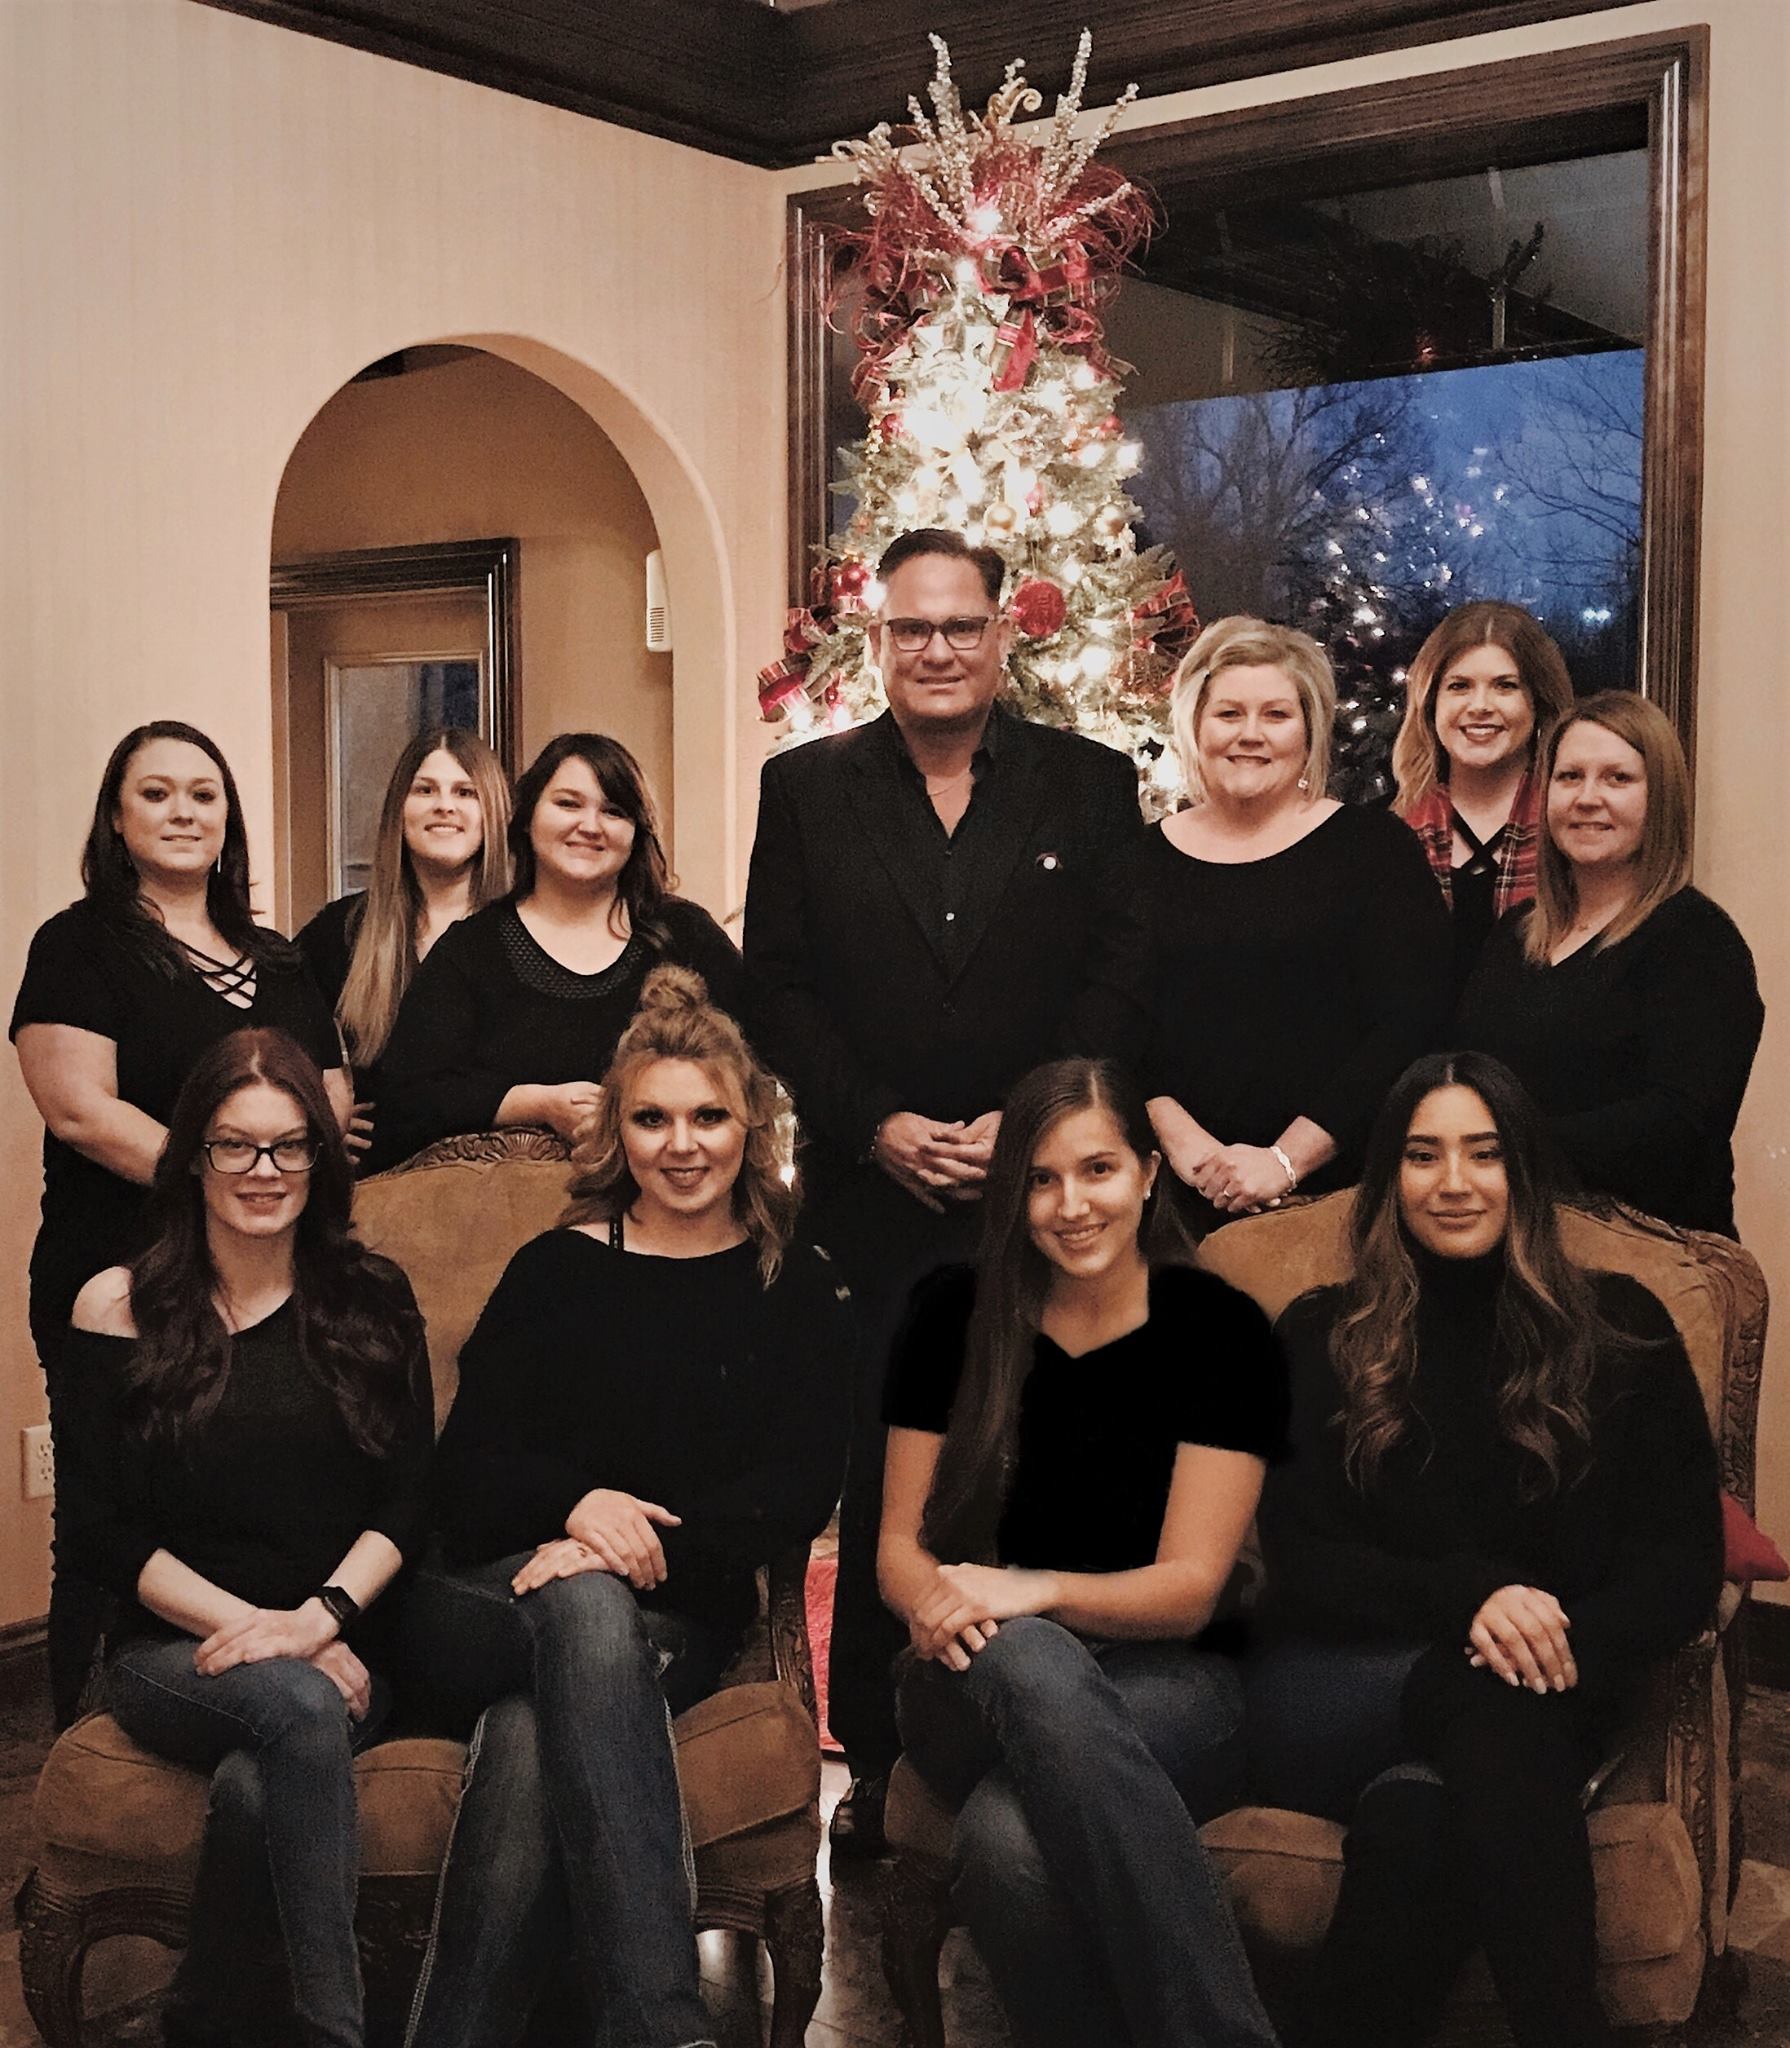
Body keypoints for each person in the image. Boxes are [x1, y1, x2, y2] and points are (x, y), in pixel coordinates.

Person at [742, 527, 1144, 1850]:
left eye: (959, 625)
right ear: (875, 642)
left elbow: (1118, 973)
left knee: (1047, 1464)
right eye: (909, 628)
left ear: (1000, 635)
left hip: (1046, 1207)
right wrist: (875, 1125)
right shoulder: (806, 789)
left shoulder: (1087, 785)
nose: (935, 649)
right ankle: (881, 1761)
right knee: (888, 1484)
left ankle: (1050, 1740)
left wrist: (1028, 1132)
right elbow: (775, 987)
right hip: (877, 1206)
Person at [400, 966, 851, 2048]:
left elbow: (793, 1491)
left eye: (708, 1117)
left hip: (674, 1621)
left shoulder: (795, 1285)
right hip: (482, 1601)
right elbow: (465, 1471)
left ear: (750, 1126)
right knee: (585, 1610)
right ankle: (660, 2022)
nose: (681, 1144)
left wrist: (623, 1549)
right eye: (652, 1118)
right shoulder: (555, 1270)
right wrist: (577, 1504)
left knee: (529, 1732)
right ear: (618, 1130)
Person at [1251, 1051, 1722, 2048]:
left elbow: (1681, 1563)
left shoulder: (1622, 1329)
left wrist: (1555, 1643)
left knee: (1415, 1831)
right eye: (1422, 1154)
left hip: (1537, 1694)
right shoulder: (1321, 1331)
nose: (1454, 1181)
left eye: (1484, 1152)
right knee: (1487, 1700)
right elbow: (1301, 1559)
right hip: (1340, 1689)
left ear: (1525, 1169)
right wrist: (1472, 1596)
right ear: (1388, 1176)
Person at [878, 1057, 1285, 2048]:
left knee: (1004, 1838)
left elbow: (1192, 1590)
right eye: (1041, 1179)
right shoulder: (948, 1314)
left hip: (1170, 1682)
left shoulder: (1219, 1331)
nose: (1071, 1205)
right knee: (1023, 1653)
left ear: (1149, 1173)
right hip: (966, 1673)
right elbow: (895, 1547)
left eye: (1097, 1169)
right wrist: (962, 1606)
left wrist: (1033, 1589)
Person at [56, 1028, 432, 2048]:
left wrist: (321, 1618)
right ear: (193, 1155)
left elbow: (408, 1498)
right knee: (300, 1704)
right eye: (235, 1144)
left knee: (256, 1783)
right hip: (175, 1648)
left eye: (289, 1144)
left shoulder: (374, 1295)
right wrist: (270, 1635)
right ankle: (335, 2029)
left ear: (320, 1155)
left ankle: (202, 2014)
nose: (264, 1170)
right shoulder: (117, 1305)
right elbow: (102, 1531)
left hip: (344, 1636)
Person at [11, 719, 348, 1723]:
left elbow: (328, 1102)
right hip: (121, 1271)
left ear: (229, 818)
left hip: (270, 1277)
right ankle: (90, 1750)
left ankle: (264, 1696)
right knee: (112, 1523)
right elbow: (80, 1108)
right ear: (116, 819)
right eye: (155, 793)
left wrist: (268, 1188)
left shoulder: (279, 959)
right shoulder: (78, 944)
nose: (183, 812)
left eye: (204, 794)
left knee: (249, 1500)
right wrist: (230, 1176)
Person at [1089, 616, 1450, 1236]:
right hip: (1179, 1198)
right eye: (1228, 714)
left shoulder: (1374, 850)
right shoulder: (1137, 862)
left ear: (1309, 729)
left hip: (1342, 1197)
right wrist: (1194, 1154)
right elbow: (1115, 1033)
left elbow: (1409, 1024)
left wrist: (1285, 1160)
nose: (1250, 734)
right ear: (1194, 725)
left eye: (1276, 715)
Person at [1455, 691, 1762, 1237]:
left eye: (1617, 779)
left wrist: (1503, 1151)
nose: (1587, 798)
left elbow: (1681, 1124)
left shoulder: (1698, 940)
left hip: (1648, 1252)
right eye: (1569, 777)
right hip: (1514, 1239)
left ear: (1660, 798)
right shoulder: (1516, 932)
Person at [372, 731, 741, 1171]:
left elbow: (754, 1062)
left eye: (614, 811)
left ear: (636, 832)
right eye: (568, 804)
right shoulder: (471, 951)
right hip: (503, 1208)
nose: (590, 825)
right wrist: (533, 1103)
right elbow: (404, 1098)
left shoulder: (685, 935)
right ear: (528, 817)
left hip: (674, 1196)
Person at [297, 727, 511, 1151]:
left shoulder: (526, 930)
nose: (444, 806)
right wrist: (315, 1117)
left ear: (494, 813)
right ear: (399, 809)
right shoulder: (341, 931)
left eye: (466, 792)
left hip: (507, 1172)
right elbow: (273, 1039)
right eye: (425, 790)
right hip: (380, 1174)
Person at [1390, 601, 1576, 996]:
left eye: (1505, 686)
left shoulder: (1572, 834)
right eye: (1459, 686)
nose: (1480, 707)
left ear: (1538, 702)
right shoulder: (1388, 835)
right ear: (1431, 704)